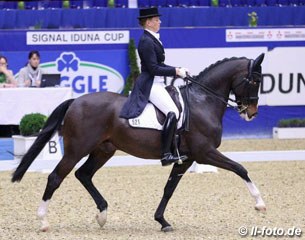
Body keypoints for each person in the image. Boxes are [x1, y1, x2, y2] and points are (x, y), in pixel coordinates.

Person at [119, 7, 188, 166]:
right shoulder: (146, 41)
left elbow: (160, 64)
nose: (160, 22)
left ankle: (174, 147)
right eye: (157, 20)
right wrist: (176, 71)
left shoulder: (153, 38)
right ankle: (166, 154)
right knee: (172, 112)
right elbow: (153, 68)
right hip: (150, 84)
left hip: (157, 82)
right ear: (149, 22)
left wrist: (178, 70)